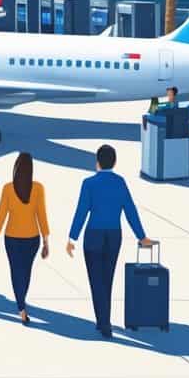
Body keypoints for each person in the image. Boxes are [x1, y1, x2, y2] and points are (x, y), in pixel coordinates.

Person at [66, 144, 154, 339]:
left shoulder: (88, 183)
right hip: (114, 235)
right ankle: (103, 320)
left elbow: (82, 210)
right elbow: (130, 210)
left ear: (97, 162)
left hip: (94, 234)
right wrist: (141, 236)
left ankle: (104, 322)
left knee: (96, 280)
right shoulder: (120, 182)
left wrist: (73, 237)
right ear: (114, 162)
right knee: (107, 278)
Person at [0, 152, 50, 324]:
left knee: (15, 271)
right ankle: (22, 301)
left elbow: (1, 213)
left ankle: (21, 305)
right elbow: (41, 215)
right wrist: (46, 241)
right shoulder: (38, 188)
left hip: (12, 238)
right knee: (26, 271)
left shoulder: (8, 188)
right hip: (32, 238)